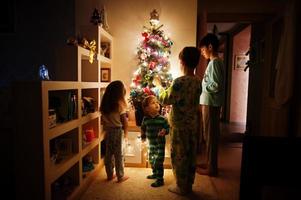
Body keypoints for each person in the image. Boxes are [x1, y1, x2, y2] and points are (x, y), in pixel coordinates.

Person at [153, 47, 202, 195]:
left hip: (180, 126)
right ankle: (188, 184)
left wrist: (158, 86)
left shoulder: (179, 82)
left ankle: (181, 187)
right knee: (191, 154)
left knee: (179, 155)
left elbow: (166, 99)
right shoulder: (198, 80)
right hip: (193, 124)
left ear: (182, 62)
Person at [198, 33, 225, 177]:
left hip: (211, 103)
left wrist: (201, 87)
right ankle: (210, 163)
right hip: (210, 103)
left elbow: (215, 86)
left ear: (210, 47)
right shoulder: (215, 62)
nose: (202, 54)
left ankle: (212, 168)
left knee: (210, 135)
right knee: (209, 134)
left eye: (203, 50)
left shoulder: (214, 62)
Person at [100, 80, 129, 183]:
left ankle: (109, 175)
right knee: (119, 154)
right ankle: (120, 176)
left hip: (108, 132)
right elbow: (124, 121)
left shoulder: (104, 106)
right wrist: (126, 133)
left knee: (108, 154)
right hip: (117, 131)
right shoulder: (119, 105)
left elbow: (103, 121)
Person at [140, 95, 169, 187]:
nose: (157, 104)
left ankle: (160, 179)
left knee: (158, 161)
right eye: (153, 103)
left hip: (159, 144)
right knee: (152, 161)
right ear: (147, 109)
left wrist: (164, 131)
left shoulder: (162, 119)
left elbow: (167, 128)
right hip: (151, 144)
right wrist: (143, 136)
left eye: (157, 102)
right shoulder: (146, 119)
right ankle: (155, 174)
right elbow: (143, 128)